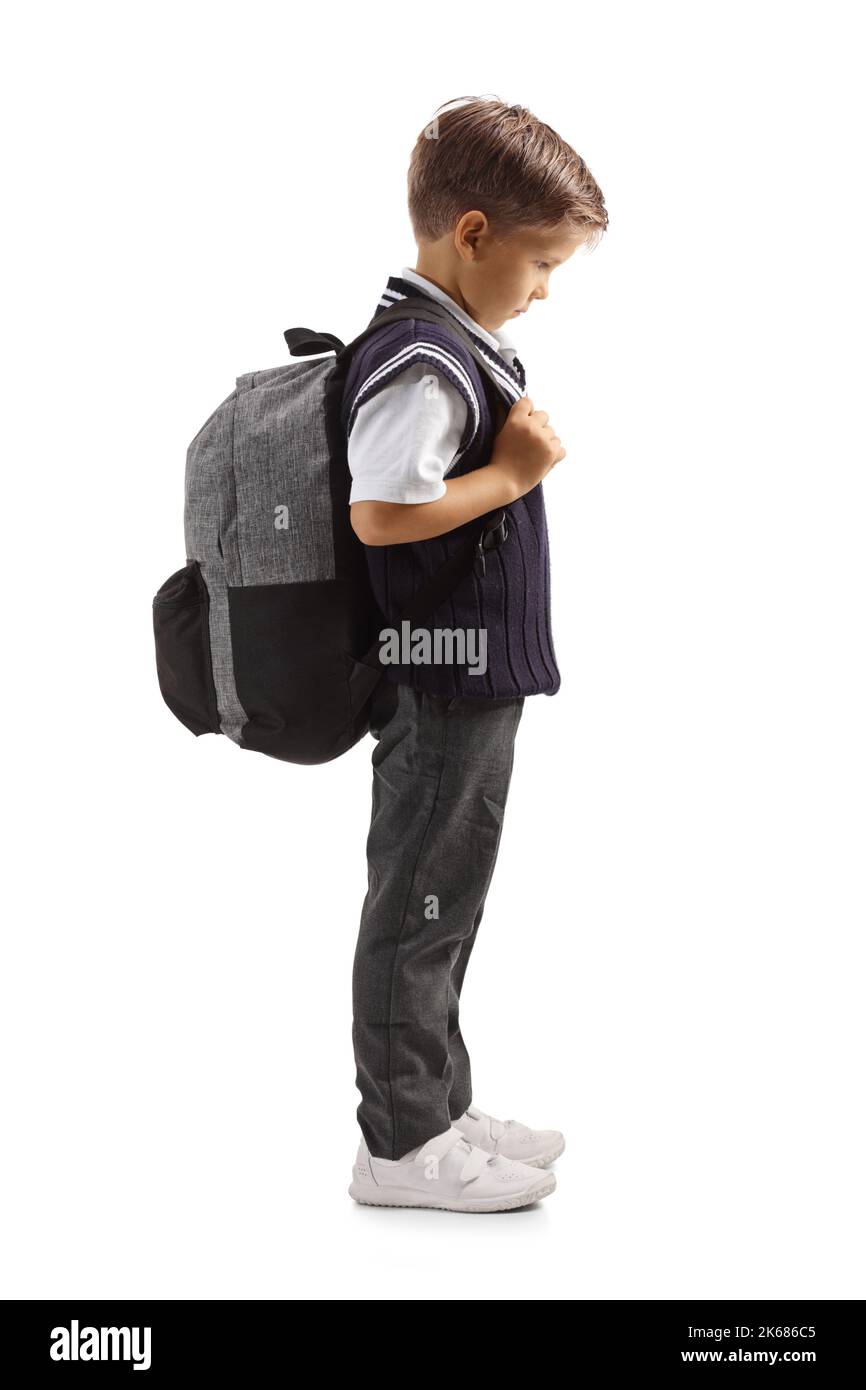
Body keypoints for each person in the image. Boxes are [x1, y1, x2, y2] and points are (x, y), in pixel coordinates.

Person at [343, 95, 607, 1212]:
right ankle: (398, 1146)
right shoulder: (422, 360)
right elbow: (378, 513)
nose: (544, 288)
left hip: (463, 676)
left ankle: (438, 1106)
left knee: (442, 900)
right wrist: (510, 476)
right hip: (441, 675)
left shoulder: (451, 344)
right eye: (541, 260)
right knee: (418, 904)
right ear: (471, 234)